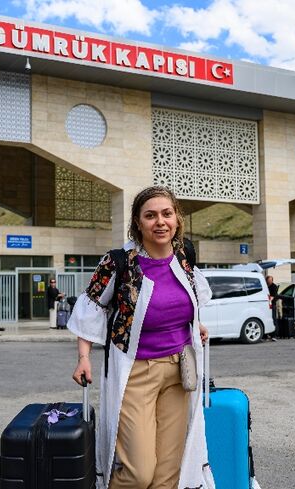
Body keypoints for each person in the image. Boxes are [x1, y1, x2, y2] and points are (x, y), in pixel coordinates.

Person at [68, 185, 214, 489]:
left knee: (168, 473)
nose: (160, 222)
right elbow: (92, 307)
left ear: (177, 219)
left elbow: (189, 300)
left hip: (179, 371)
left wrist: (195, 325)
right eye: (150, 216)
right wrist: (84, 358)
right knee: (139, 472)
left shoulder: (185, 254)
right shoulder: (119, 262)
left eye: (166, 214)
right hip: (136, 373)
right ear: (138, 222)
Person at [265, 275, 278, 341]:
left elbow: (273, 296)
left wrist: (268, 300)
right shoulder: (265, 286)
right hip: (266, 305)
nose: (269, 281)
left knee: (273, 319)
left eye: (270, 280)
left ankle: (274, 335)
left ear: (272, 280)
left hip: (272, 305)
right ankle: (267, 335)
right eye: (268, 280)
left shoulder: (274, 286)